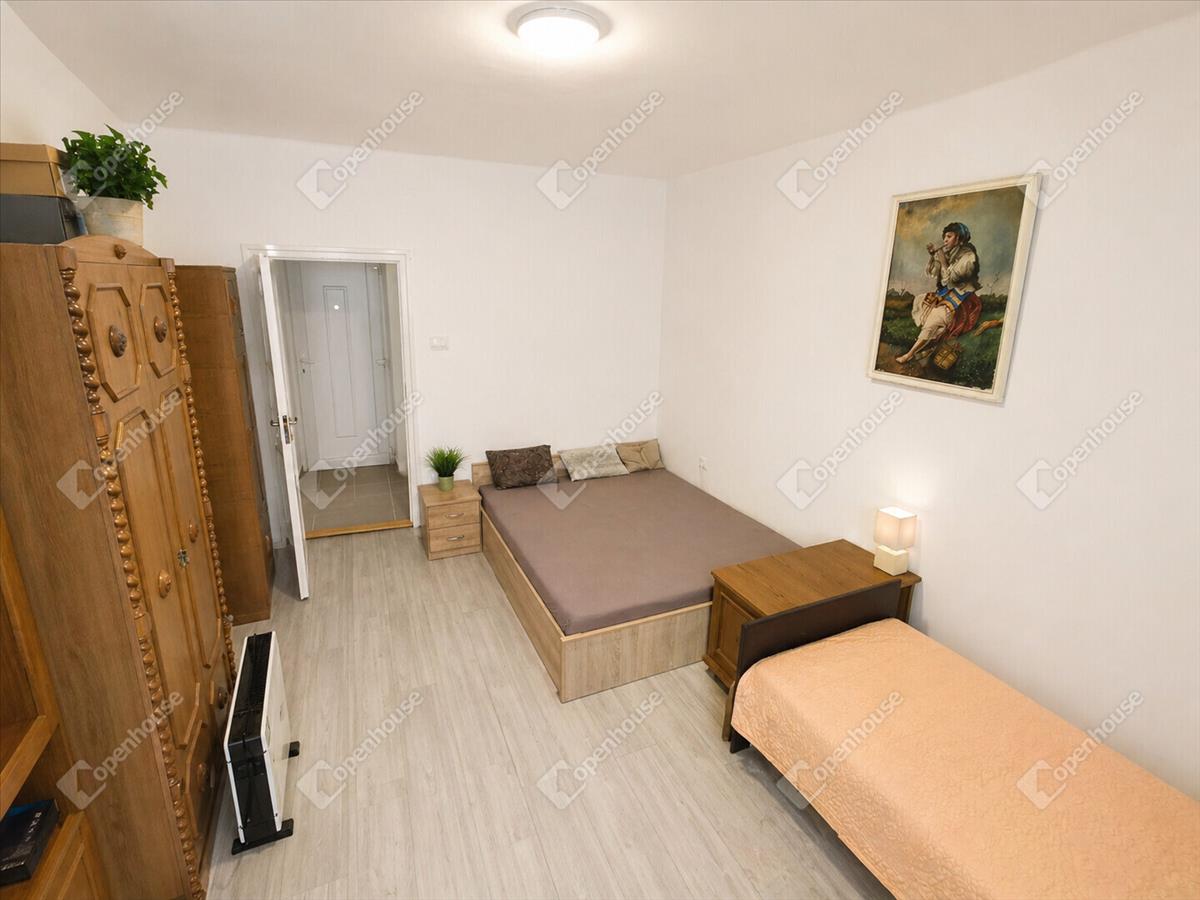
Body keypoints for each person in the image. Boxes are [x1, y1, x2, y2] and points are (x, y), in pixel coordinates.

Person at [895, 222, 983, 365]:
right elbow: (932, 273)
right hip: (948, 292)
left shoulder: (968, 257)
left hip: (963, 296)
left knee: (935, 317)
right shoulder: (949, 252)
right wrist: (933, 256)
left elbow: (952, 279)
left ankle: (909, 354)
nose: (945, 240)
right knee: (922, 301)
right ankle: (930, 346)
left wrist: (942, 259)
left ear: (959, 238)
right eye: (944, 237)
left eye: (949, 236)